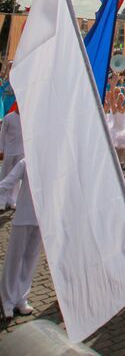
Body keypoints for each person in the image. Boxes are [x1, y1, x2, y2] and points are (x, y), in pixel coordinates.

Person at [0, 158, 40, 319]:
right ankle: (6, 301)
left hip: (42, 220)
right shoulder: (27, 162)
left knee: (30, 260)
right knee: (14, 260)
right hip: (23, 217)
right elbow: (8, 182)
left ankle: (21, 298)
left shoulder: (57, 165)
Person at [0, 107, 24, 209]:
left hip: (21, 151)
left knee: (17, 177)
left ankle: (12, 200)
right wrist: (1, 150)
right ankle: (1, 200)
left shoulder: (25, 118)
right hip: (9, 151)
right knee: (5, 174)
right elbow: (2, 134)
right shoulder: (8, 117)